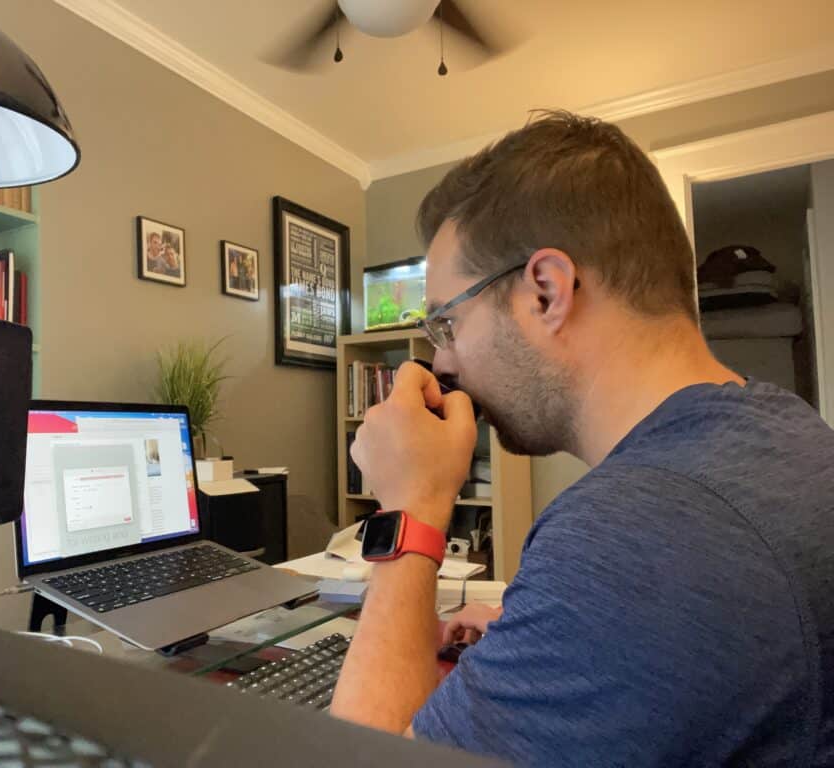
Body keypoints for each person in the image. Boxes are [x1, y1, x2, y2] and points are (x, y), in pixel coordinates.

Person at [330, 111, 834, 765]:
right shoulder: (777, 430)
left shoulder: (641, 528)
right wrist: (546, 637)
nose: (442, 364)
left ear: (546, 292)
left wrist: (413, 506)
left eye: (447, 325)